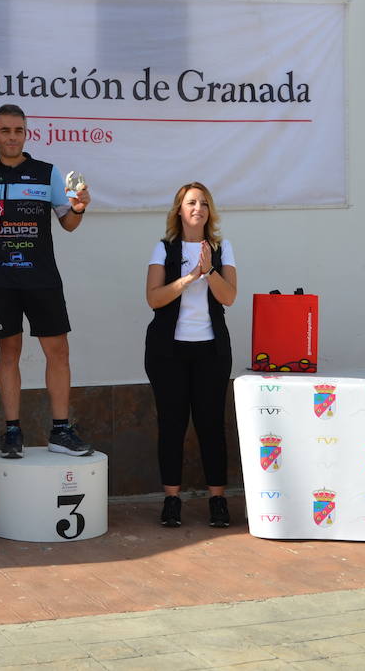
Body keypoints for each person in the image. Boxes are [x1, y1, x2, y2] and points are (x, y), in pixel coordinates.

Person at [0, 104, 93, 457]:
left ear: (26, 134)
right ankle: (12, 431)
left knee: (58, 352)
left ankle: (61, 430)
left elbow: (69, 223)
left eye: (18, 130)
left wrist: (79, 208)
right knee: (8, 352)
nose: (12, 137)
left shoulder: (47, 173)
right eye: (5, 131)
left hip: (42, 279)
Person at [144, 182, 238, 529]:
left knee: (211, 424)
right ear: (179, 211)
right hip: (168, 352)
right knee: (171, 425)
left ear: (209, 211)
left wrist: (210, 271)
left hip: (210, 351)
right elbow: (154, 298)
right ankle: (172, 500)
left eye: (203, 203)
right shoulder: (164, 248)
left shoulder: (221, 247)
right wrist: (189, 277)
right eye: (190, 202)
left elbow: (229, 297)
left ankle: (217, 500)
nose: (197, 207)